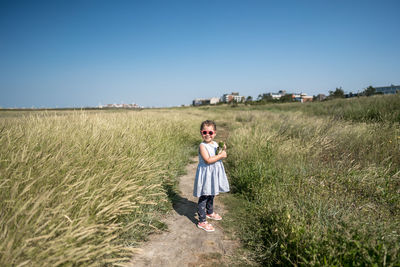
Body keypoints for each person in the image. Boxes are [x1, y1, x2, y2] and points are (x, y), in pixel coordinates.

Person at [193, 120, 230, 232]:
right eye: (205, 132)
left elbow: (221, 155)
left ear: (215, 133)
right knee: (205, 195)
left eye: (210, 132)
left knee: (212, 193)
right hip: (206, 174)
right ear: (201, 133)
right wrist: (221, 156)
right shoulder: (202, 146)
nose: (207, 135)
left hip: (213, 174)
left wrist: (223, 149)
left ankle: (209, 212)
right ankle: (202, 221)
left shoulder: (215, 144)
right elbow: (208, 160)